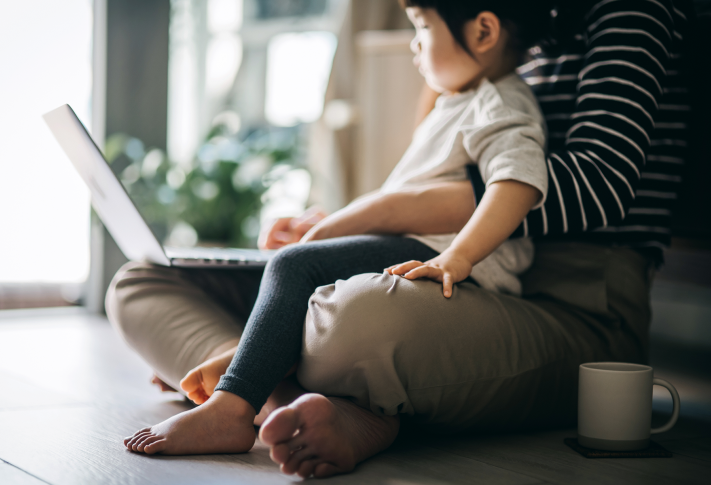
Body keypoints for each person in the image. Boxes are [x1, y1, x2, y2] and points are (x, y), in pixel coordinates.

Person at [110, 0, 692, 479]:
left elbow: (576, 184)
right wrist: (337, 223)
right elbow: (431, 188)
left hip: (562, 298)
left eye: (420, 27)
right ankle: (296, 402)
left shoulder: (581, 42)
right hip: (439, 264)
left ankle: (245, 386)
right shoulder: (481, 68)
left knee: (348, 315)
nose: (415, 42)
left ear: (484, 30)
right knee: (143, 281)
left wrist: (394, 225)